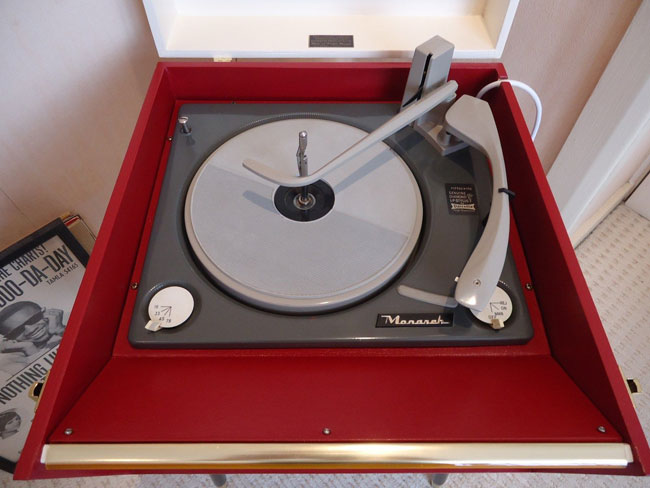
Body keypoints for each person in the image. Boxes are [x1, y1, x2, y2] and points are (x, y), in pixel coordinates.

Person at [0, 301, 66, 375]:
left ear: (45, 313)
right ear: (9, 338)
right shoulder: (9, 363)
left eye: (33, 320)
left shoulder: (67, 327)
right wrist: (31, 350)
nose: (31, 330)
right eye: (18, 331)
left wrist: (61, 330)